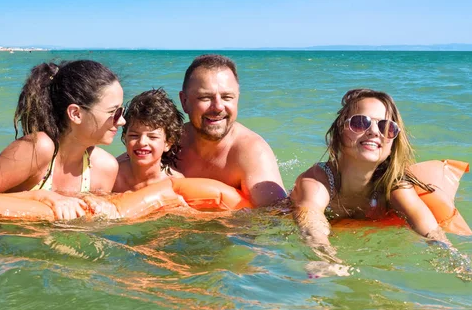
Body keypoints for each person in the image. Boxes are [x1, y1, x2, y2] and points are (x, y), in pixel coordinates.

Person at [291, 88, 453, 271]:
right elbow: (312, 226)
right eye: (360, 123)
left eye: (386, 127)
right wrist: (326, 259)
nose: (374, 132)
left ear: (392, 144)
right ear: (339, 133)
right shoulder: (317, 181)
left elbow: (431, 232)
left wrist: (456, 262)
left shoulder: (395, 186)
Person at [0, 60, 126, 220]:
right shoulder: (39, 148)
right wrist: (37, 196)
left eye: (122, 111)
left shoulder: (105, 167)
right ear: (76, 114)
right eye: (114, 112)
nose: (122, 121)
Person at [177, 54, 287, 207]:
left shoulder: (251, 152)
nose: (218, 107)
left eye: (227, 97)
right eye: (205, 97)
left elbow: (276, 217)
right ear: (184, 101)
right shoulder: (167, 144)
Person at [113, 88, 185, 192]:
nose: (142, 142)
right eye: (134, 135)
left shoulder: (175, 182)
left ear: (168, 143)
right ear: (125, 138)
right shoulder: (114, 177)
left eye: (152, 137)